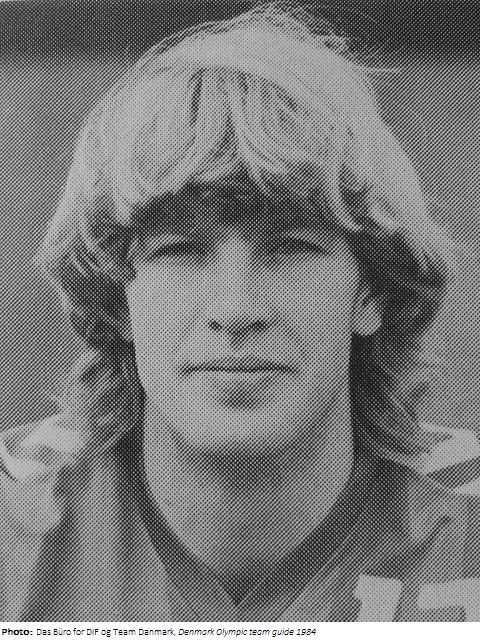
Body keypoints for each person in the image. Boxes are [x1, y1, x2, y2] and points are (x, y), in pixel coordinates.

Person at [1, 0, 479, 622]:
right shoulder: (15, 534)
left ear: (373, 292)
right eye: (182, 251)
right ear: (118, 298)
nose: (235, 308)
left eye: (288, 248)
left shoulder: (464, 532)